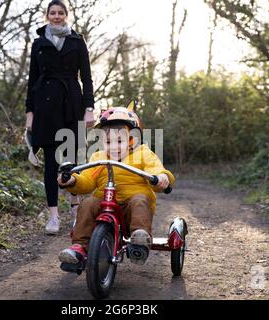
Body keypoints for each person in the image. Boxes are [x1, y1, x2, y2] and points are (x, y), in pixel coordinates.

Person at [57, 104, 175, 265]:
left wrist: (161, 177)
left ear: (132, 140)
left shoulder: (143, 153)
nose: (113, 147)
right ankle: (79, 247)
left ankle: (140, 238)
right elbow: (87, 181)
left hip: (130, 209)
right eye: (108, 142)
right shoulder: (99, 157)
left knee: (139, 200)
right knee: (88, 203)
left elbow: (155, 169)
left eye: (119, 141)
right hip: (104, 204)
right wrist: (73, 180)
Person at [25, 0, 95, 235]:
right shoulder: (38, 44)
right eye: (52, 13)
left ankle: (75, 210)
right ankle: (53, 216)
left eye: (60, 12)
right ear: (47, 16)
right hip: (45, 107)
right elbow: (32, 80)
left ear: (66, 15)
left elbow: (86, 77)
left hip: (72, 103)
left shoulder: (77, 40)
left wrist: (89, 108)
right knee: (51, 164)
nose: (56, 16)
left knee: (73, 158)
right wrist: (29, 113)